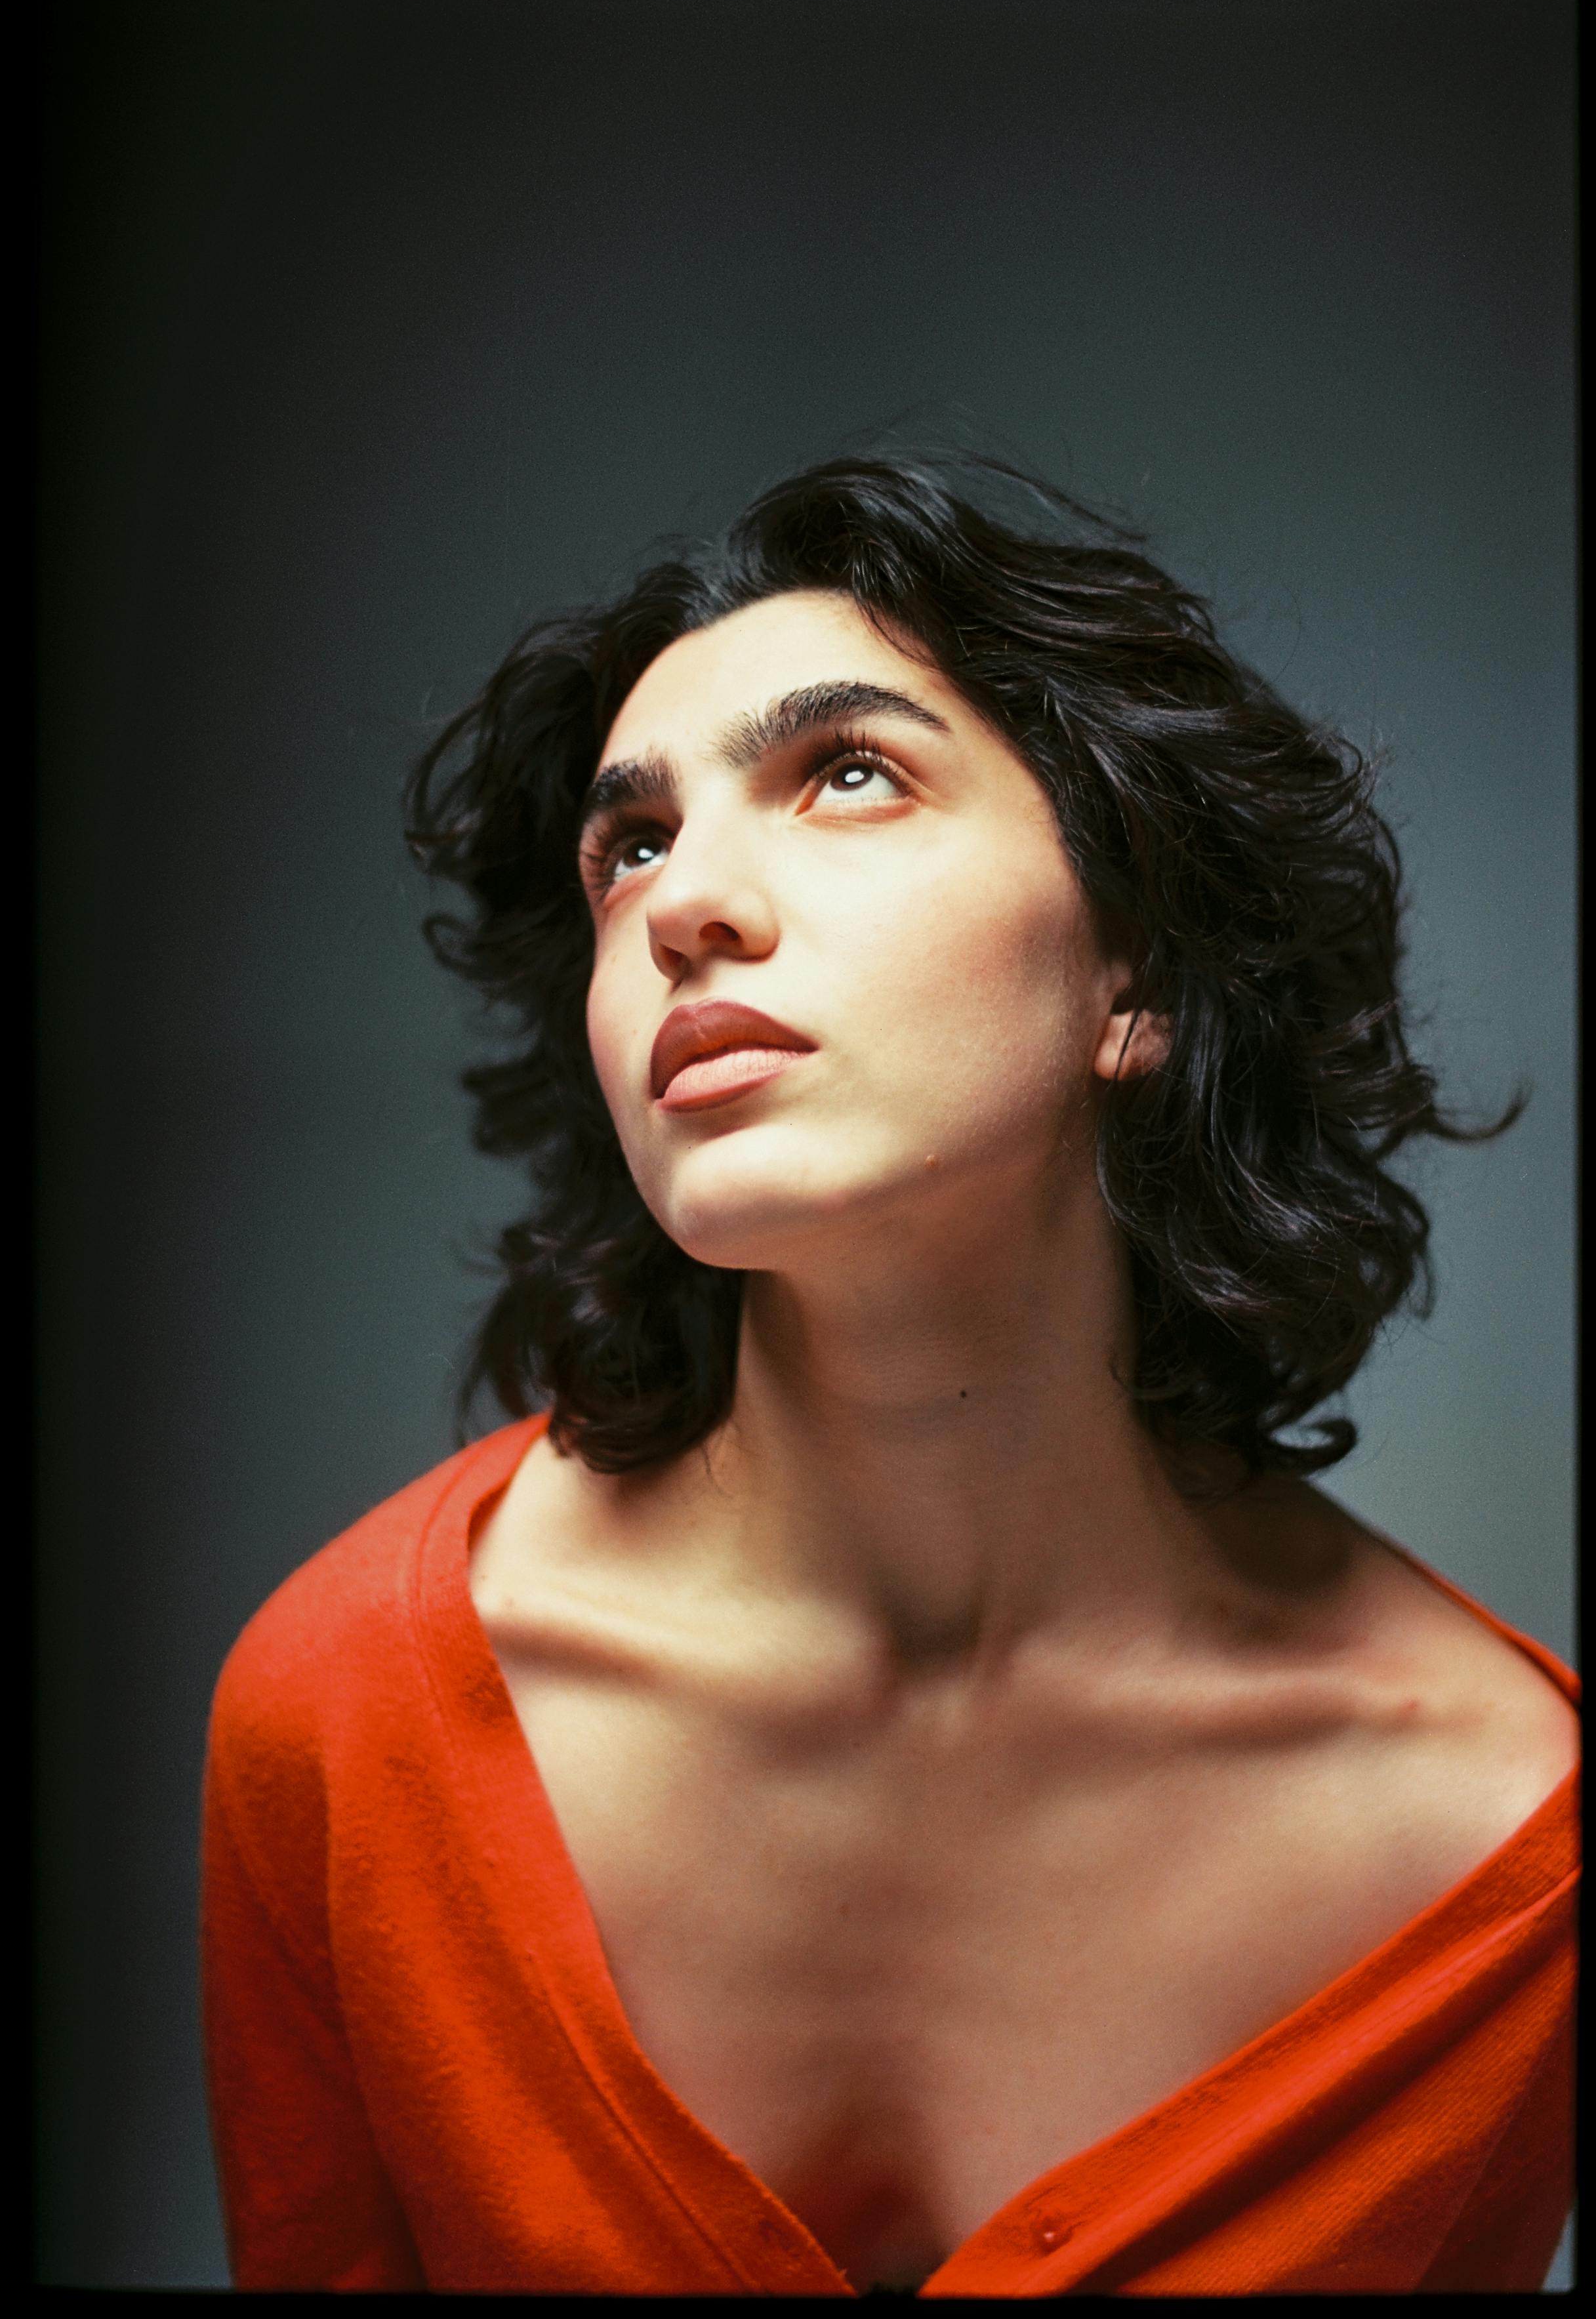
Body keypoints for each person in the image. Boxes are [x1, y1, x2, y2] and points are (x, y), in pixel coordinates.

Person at [201, 454, 1577, 2295]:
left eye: (848, 773)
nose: (685, 902)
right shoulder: (343, 1722)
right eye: (630, 844)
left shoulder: (1501, 1840)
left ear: (1139, 983)